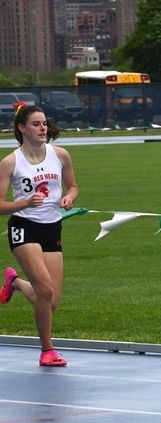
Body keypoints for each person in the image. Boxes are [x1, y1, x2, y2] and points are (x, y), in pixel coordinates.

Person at [0, 103, 79, 367]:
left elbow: (74, 186)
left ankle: (15, 283)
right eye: (36, 124)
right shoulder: (10, 162)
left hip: (52, 227)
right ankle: (47, 350)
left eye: (44, 123)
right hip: (24, 226)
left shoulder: (61, 155)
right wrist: (24, 203)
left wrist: (68, 197)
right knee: (44, 289)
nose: (43, 128)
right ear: (22, 128)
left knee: (51, 300)